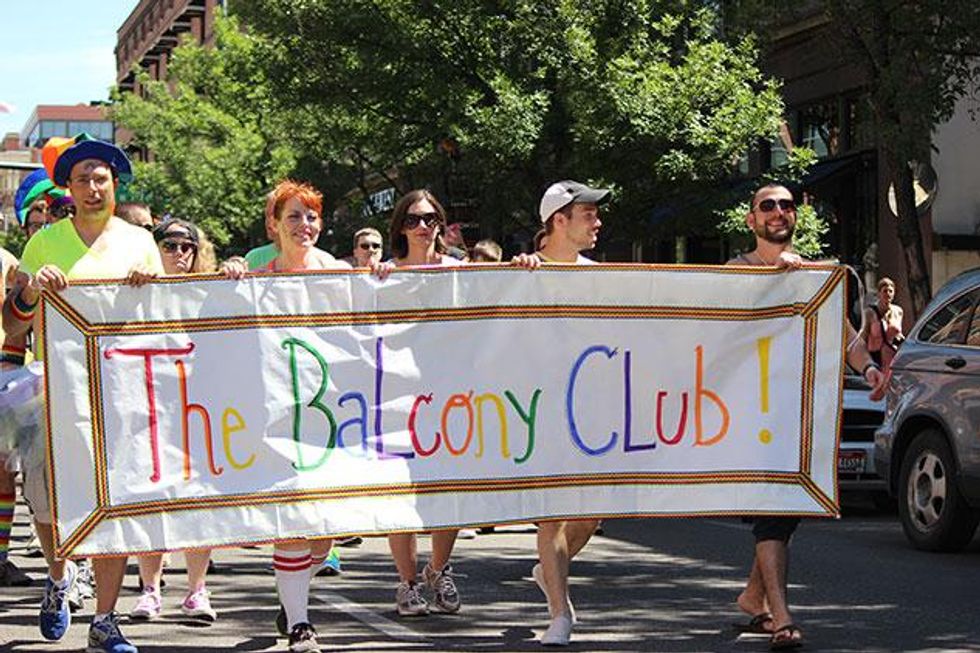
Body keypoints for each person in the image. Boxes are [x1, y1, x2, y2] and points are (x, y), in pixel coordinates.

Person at [2, 133, 163, 653]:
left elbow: (166, 322)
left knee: (113, 502)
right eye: (82, 179)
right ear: (67, 188)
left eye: (102, 178)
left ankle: (105, 619)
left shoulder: (139, 242)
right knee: (47, 502)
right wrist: (28, 290)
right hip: (54, 390)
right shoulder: (44, 242)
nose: (93, 188)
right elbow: (14, 325)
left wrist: (151, 287)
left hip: (122, 389)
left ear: (115, 184)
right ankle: (58, 574)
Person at [728, 182, 886, 651]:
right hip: (748, 418)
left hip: (800, 415)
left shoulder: (815, 276)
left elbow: (845, 336)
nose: (779, 212)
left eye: (787, 206)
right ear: (751, 219)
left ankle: (752, 596)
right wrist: (779, 278)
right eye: (768, 206)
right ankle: (781, 617)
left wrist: (872, 368)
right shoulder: (734, 272)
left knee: (788, 512)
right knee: (772, 516)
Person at [224, 179, 350, 653]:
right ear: (273, 225)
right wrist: (229, 274)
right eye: (294, 216)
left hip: (335, 412)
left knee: (326, 533)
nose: (305, 225)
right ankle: (300, 623)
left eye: (312, 215)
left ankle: (293, 591)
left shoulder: (339, 272)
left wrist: (378, 279)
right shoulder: (259, 271)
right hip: (280, 413)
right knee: (294, 516)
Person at [510, 180, 610, 646]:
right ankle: (559, 614)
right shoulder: (523, 273)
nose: (597, 222)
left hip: (590, 411)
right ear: (559, 221)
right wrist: (515, 275)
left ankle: (547, 571)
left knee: (589, 516)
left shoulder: (598, 276)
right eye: (588, 214)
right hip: (539, 410)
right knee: (550, 514)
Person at [370, 189, 465, 618]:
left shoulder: (462, 273)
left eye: (430, 219)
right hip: (396, 398)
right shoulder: (385, 276)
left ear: (441, 225)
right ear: (399, 229)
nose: (423, 227)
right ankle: (407, 583)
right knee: (399, 496)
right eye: (412, 220)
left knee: (450, 491)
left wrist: (526, 264)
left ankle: (438, 569)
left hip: (452, 397)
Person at [126, 218, 218, 624]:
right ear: (154, 246)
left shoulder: (209, 293)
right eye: (170, 244)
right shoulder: (135, 289)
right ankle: (150, 589)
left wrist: (233, 273)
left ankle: (197, 590)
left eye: (188, 246)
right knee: (152, 500)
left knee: (198, 502)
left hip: (199, 408)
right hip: (149, 408)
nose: (179, 253)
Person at [862, 277, 904, 373]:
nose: (888, 294)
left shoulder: (898, 311)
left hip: (892, 359)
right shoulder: (869, 313)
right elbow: (863, 338)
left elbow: (899, 335)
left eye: (891, 291)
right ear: (879, 293)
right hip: (875, 358)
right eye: (885, 291)